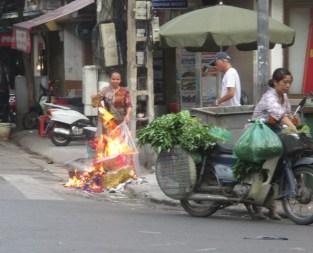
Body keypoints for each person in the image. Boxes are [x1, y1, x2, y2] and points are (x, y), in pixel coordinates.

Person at [251, 67, 298, 220]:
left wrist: (294, 121)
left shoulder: (283, 96)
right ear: (275, 82)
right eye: (285, 82)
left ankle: (272, 208)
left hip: (274, 134)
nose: (287, 86)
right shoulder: (269, 96)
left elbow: (288, 114)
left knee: (278, 169)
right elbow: (280, 115)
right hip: (260, 135)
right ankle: (256, 204)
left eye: (289, 83)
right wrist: (293, 128)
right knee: (264, 169)